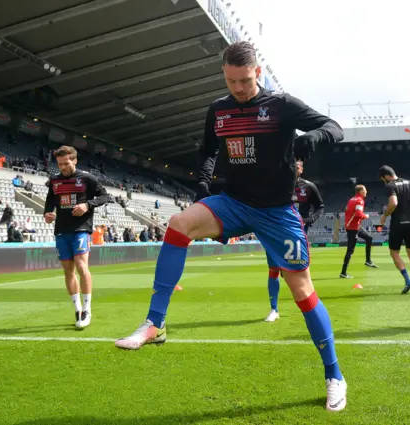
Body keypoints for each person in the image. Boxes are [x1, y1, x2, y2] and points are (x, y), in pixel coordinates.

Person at [114, 41, 348, 411]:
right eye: (230, 80)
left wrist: (314, 138)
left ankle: (334, 374)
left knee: (302, 290)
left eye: (243, 80)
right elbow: (208, 150)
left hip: (276, 211)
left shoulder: (282, 105)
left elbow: (334, 127)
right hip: (234, 203)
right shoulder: (219, 110)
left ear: (257, 72)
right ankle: (154, 323)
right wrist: (205, 180)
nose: (237, 88)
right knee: (177, 224)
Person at [44, 145, 112, 328]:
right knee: (68, 271)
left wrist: (87, 205)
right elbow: (50, 201)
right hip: (61, 230)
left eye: (66, 163)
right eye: (60, 164)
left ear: (74, 160)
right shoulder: (54, 181)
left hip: (81, 229)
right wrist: (48, 214)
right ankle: (77, 308)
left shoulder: (87, 178)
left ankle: (87, 309)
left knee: (82, 266)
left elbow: (106, 196)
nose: (63, 167)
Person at [264, 159, 324, 323]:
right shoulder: (277, 184)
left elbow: (320, 206)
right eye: (292, 165)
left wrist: (310, 219)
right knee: (274, 270)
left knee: (300, 271)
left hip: (297, 233)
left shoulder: (309, 187)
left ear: (301, 169)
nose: (294, 168)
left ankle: (310, 307)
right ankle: (274, 309)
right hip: (276, 232)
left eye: (297, 166)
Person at [377, 165, 410, 294]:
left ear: (385, 177)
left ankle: (408, 280)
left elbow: (394, 203)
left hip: (398, 223)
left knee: (394, 253)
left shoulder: (390, 186)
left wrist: (385, 215)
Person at [340, 185, 378, 279]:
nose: (366, 192)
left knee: (369, 238)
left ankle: (368, 261)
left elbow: (348, 212)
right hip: (353, 228)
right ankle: (343, 272)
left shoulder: (351, 199)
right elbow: (358, 214)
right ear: (360, 191)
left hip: (354, 226)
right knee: (350, 250)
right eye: (365, 190)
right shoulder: (359, 200)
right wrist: (366, 216)